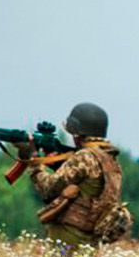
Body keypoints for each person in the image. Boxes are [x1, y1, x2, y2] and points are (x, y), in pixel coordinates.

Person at [26, 101, 132, 248]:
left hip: (69, 236)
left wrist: (33, 160)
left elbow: (47, 188)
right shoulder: (110, 159)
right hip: (90, 238)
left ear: (77, 134)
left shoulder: (84, 157)